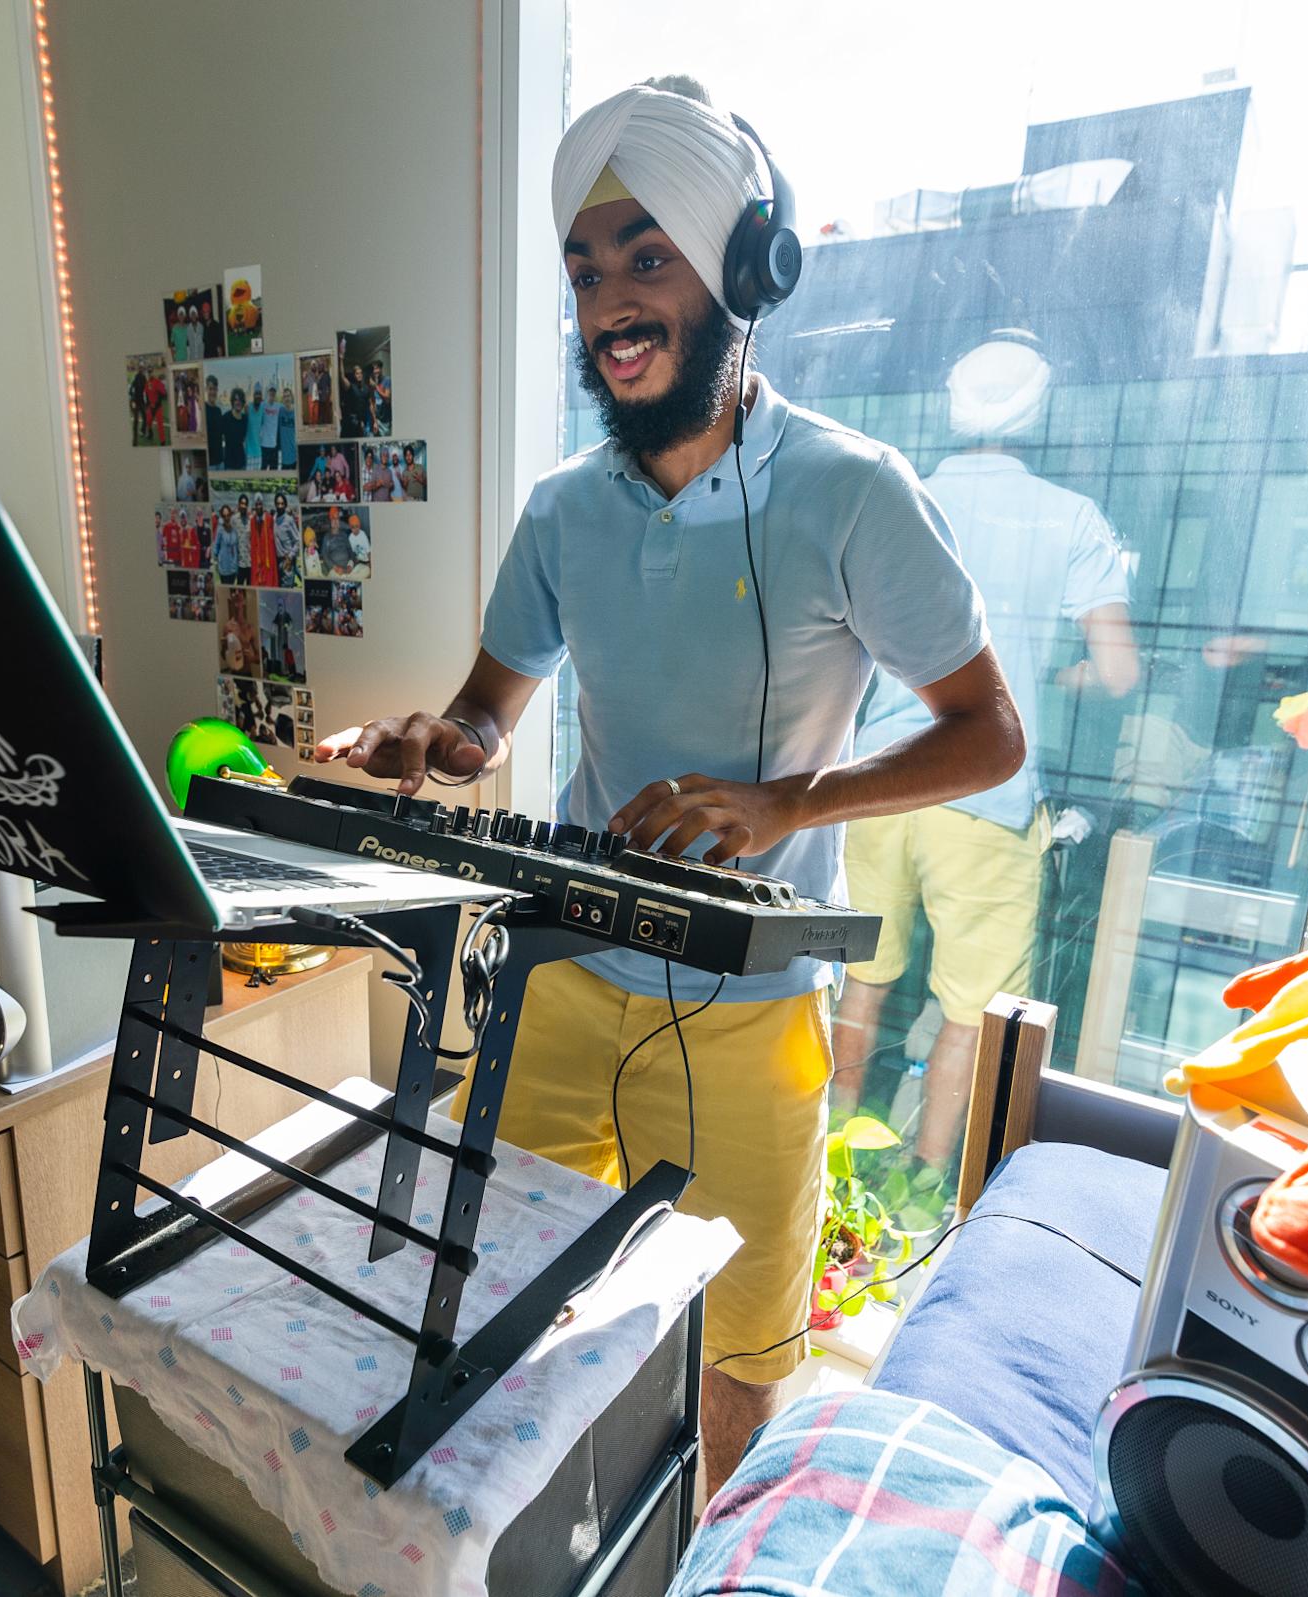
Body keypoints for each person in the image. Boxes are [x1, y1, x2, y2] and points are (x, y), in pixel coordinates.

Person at [308, 79, 1018, 1500]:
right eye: (586, 270)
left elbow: (989, 735)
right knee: (508, 1289)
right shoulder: (565, 506)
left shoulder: (854, 489)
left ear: (745, 273)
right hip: (564, 974)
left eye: (648, 258)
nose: (610, 305)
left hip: (751, 1016)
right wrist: (427, 742)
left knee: (741, 1358)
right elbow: (482, 714)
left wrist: (788, 803)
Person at [830, 332, 1138, 1170]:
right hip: (988, 793)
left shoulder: (902, 499)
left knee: (863, 982)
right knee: (970, 1013)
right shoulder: (1071, 517)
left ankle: (830, 1164)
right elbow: (1117, 670)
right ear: (1041, 409)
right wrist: (1049, 674)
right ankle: (926, 1185)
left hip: (878, 784)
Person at [249, 493, 277, 589]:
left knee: (269, 582)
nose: (258, 506)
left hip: (267, 556)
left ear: (263, 505)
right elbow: (252, 539)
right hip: (257, 557)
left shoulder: (269, 518)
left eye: (260, 504)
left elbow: (272, 538)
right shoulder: (252, 521)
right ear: (254, 506)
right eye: (257, 504)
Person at [213, 505, 246, 588]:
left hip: (233, 567)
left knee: (232, 589)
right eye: (224, 516)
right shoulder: (220, 530)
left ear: (231, 515)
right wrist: (217, 561)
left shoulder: (234, 530)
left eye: (228, 515)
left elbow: (237, 546)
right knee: (225, 590)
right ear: (222, 517)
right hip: (223, 568)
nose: (226, 518)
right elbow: (216, 547)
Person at [273, 493, 302, 587]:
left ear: (285, 505)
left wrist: (290, 557)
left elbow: (298, 541)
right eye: (278, 503)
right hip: (276, 561)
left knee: (287, 591)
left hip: (287, 561)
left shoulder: (289, 520)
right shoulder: (273, 519)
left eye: (282, 504)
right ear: (275, 504)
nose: (280, 506)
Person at [222, 384, 249, 473]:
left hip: (242, 462)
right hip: (229, 464)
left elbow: (244, 438)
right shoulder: (226, 417)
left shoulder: (245, 419)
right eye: (236, 400)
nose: (238, 402)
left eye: (240, 400)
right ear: (232, 401)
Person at [278, 385, 300, 469]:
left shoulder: (296, 414)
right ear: (283, 399)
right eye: (285, 396)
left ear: (291, 397)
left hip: (294, 455)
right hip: (283, 458)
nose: (287, 398)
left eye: (288, 396)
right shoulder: (280, 411)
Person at [370, 357, 393, 436]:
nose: (375, 371)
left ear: (381, 368)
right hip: (377, 420)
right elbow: (373, 403)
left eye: (377, 368)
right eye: (374, 369)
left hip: (385, 421)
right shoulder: (374, 383)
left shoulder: (387, 380)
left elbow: (387, 398)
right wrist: (375, 421)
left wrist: (376, 386)